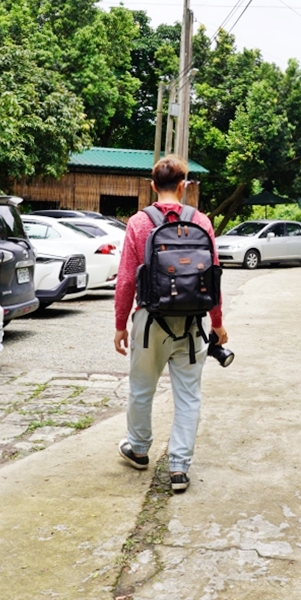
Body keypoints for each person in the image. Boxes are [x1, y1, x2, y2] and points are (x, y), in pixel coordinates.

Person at [113, 156, 228, 493]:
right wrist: (217, 324)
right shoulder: (202, 222)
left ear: (152, 185)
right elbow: (214, 278)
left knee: (141, 389)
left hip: (150, 323)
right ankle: (179, 468)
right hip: (192, 325)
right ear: (183, 185)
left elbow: (125, 281)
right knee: (189, 397)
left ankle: (138, 448)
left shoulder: (138, 223)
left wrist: (121, 324)